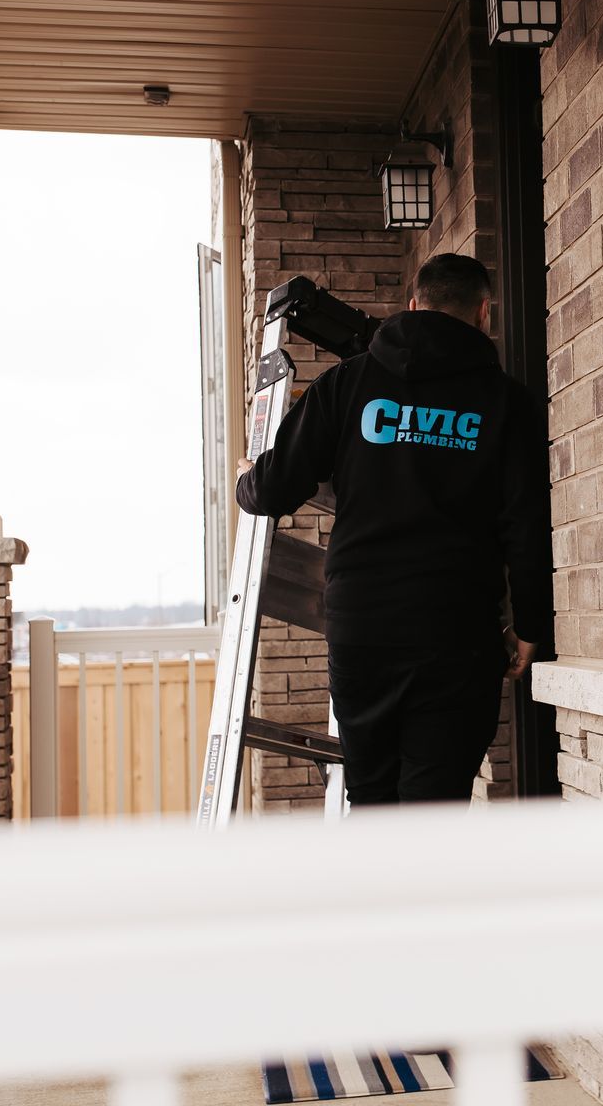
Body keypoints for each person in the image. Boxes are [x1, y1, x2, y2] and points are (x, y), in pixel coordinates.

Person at [235, 253, 551, 807]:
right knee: (433, 804)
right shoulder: (507, 403)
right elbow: (524, 524)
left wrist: (246, 481)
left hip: (363, 629)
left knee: (373, 799)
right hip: (456, 633)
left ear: (412, 306)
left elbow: (275, 488)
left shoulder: (347, 384)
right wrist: (530, 624)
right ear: (483, 313)